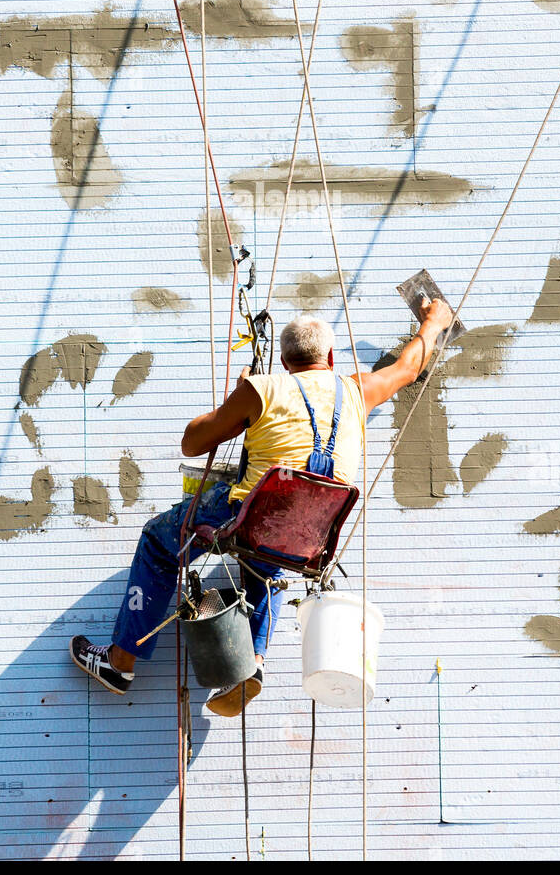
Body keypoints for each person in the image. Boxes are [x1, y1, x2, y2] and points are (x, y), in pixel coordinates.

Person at [71, 296, 453, 716]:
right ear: (329, 356)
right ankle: (252, 660)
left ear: (285, 362)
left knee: (160, 543)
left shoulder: (262, 389)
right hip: (310, 536)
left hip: (248, 518)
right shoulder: (357, 390)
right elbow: (408, 368)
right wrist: (433, 324)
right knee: (267, 559)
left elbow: (192, 443)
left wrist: (241, 396)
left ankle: (120, 662)